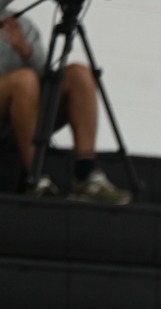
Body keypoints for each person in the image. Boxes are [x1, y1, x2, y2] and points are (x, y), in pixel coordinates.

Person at [0, 6, 129, 203]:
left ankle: (85, 174)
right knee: (23, 80)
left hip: (26, 109)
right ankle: (34, 178)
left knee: (80, 73)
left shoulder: (19, 24)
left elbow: (44, 77)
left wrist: (25, 50)